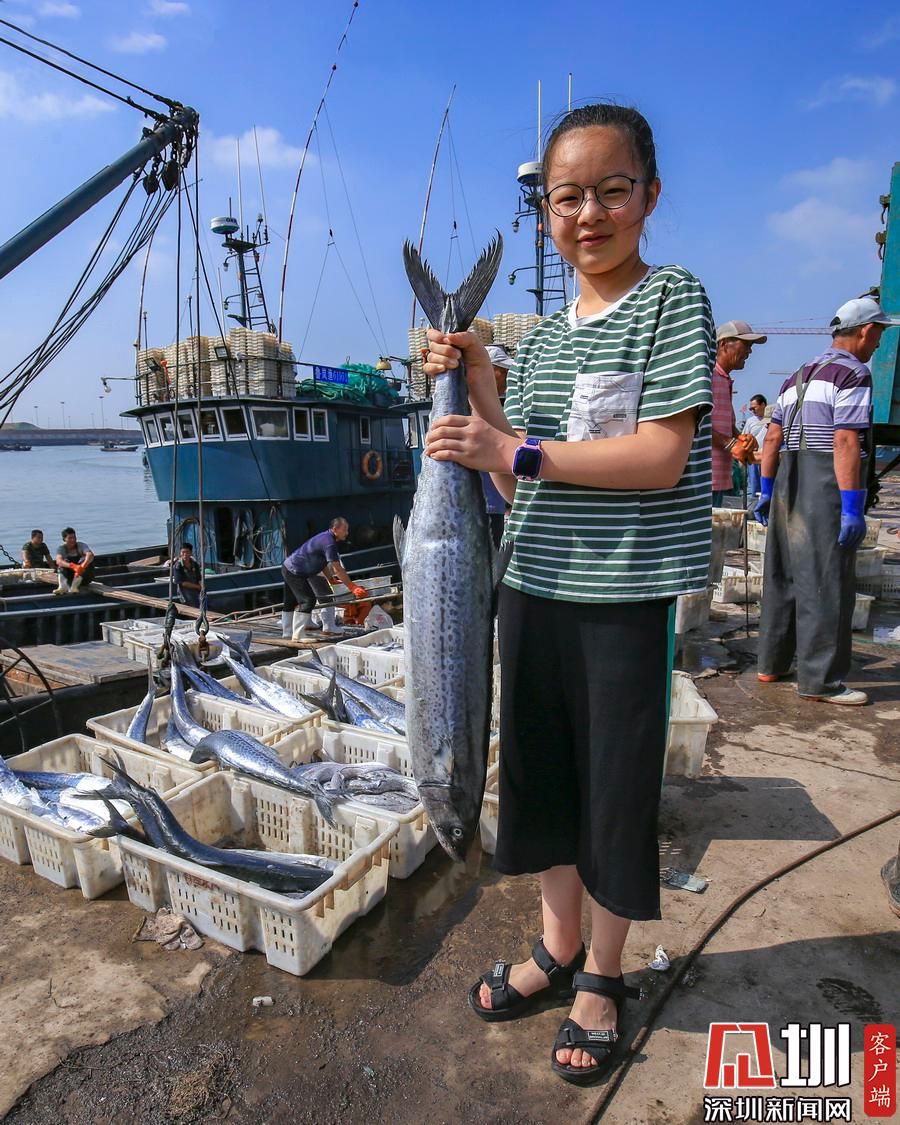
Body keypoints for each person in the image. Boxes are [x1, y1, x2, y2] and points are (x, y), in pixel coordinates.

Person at [423, 102, 714, 1083]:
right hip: (531, 589)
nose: (589, 213)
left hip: (622, 596)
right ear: (546, 211)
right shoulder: (542, 340)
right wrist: (476, 380)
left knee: (613, 792)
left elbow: (661, 457)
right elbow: (518, 483)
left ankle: (603, 973)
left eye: (611, 190)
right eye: (566, 197)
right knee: (543, 785)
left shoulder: (671, 298)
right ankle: (554, 947)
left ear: (649, 196)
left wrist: (514, 450)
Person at [754, 295, 898, 706]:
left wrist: (767, 491)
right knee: (826, 580)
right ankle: (821, 682)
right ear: (866, 331)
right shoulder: (852, 373)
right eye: (879, 335)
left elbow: (773, 438)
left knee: (783, 575)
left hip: (787, 481)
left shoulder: (796, 377)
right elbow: (845, 440)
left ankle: (771, 664)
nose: (877, 345)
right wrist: (852, 505)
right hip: (825, 485)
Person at [281, 517, 367, 638]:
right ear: (335, 529)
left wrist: (330, 578)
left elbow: (323, 563)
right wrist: (352, 587)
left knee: (291, 600)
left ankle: (287, 632)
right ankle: (298, 635)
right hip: (295, 571)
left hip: (289, 567)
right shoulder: (329, 543)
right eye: (344, 530)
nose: (347, 533)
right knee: (308, 600)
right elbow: (338, 569)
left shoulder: (326, 537)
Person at [712, 321, 767, 505]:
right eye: (746, 345)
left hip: (720, 477)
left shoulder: (724, 379)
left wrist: (741, 438)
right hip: (705, 477)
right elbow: (695, 422)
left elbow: (725, 427)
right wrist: (731, 444)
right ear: (723, 344)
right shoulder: (708, 375)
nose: (749, 351)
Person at [482, 345, 514, 548]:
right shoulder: (479, 411)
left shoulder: (496, 410)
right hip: (484, 507)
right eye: (504, 371)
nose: (508, 377)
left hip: (494, 504)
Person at [741, 394, 769, 495]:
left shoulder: (773, 420)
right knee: (754, 487)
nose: (752, 411)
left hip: (768, 457)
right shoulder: (750, 421)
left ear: (763, 405)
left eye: (754, 408)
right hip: (753, 458)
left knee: (767, 487)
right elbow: (743, 438)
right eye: (750, 409)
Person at [53, 528, 95, 594]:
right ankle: (62, 587)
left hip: (84, 578)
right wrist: (73, 566)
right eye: (70, 538)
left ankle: (74, 587)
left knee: (84, 560)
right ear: (64, 539)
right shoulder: (61, 548)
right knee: (62, 565)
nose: (73, 540)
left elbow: (90, 555)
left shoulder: (81, 545)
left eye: (74, 537)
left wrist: (82, 567)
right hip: (70, 578)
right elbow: (59, 561)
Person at [172, 543, 202, 608]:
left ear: (191, 553)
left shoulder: (195, 564)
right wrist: (197, 587)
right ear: (180, 553)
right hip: (184, 593)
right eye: (183, 552)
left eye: (187, 552)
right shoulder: (177, 566)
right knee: (192, 607)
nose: (185, 554)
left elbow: (199, 578)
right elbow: (182, 583)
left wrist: (201, 587)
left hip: (196, 591)